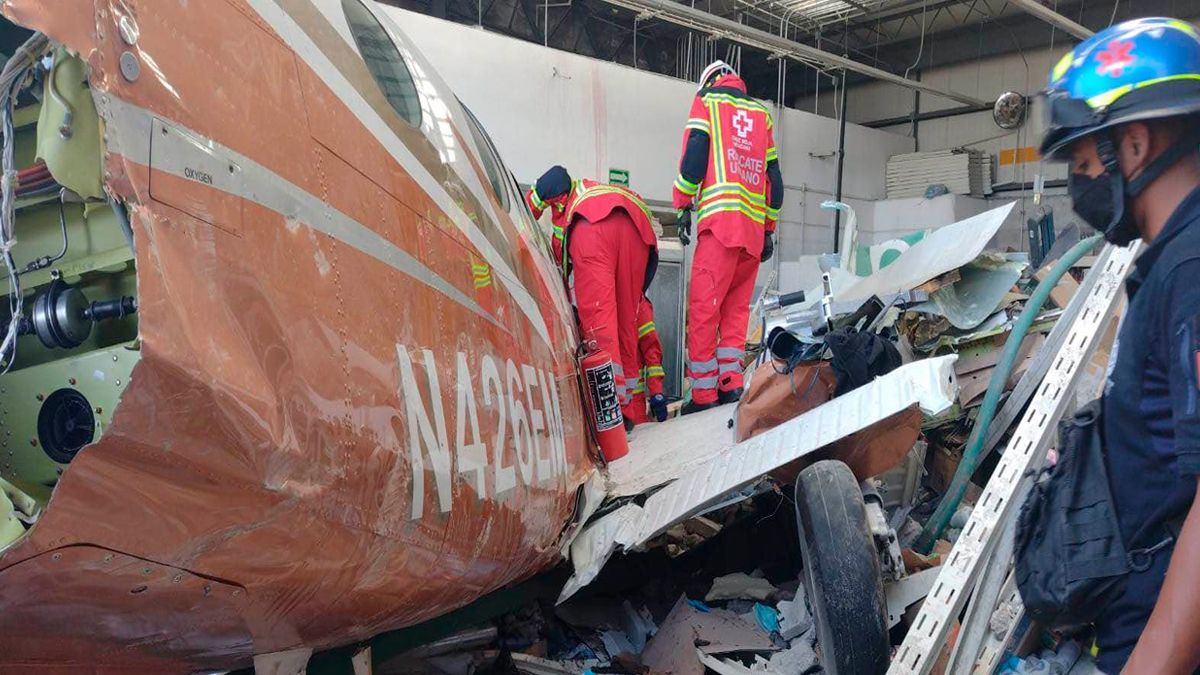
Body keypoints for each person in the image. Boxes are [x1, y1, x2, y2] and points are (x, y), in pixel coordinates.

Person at [1040, 17, 1200, 673]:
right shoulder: (1170, 265)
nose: (1080, 185)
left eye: (1083, 163)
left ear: (1134, 143)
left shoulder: (1191, 270)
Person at [672, 60, 783, 415]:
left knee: (704, 310)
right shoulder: (762, 115)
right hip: (752, 234)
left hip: (720, 226)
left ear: (710, 81)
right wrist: (768, 229)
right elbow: (774, 180)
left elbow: (694, 158)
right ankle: (731, 383)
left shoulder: (707, 101)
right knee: (735, 313)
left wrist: (682, 204)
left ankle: (704, 394)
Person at [525, 166, 659, 425]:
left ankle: (611, 414)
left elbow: (557, 176)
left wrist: (527, 210)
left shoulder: (572, 199)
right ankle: (627, 409)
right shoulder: (595, 189)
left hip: (594, 230)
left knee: (600, 326)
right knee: (626, 325)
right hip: (638, 229)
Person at [626, 296, 669, 425]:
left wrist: (656, 392)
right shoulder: (637, 304)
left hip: (632, 405)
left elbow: (651, 352)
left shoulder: (637, 304)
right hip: (619, 405)